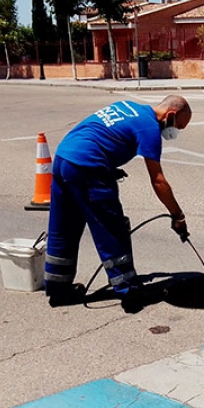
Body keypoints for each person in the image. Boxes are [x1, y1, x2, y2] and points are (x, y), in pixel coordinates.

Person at [43, 95, 192, 312]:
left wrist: (109, 167)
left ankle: (58, 290)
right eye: (178, 125)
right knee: (112, 229)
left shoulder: (128, 106)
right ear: (170, 115)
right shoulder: (149, 129)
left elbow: (103, 134)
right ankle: (130, 291)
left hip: (64, 158)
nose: (176, 131)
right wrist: (177, 215)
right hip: (89, 166)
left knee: (64, 226)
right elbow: (158, 181)